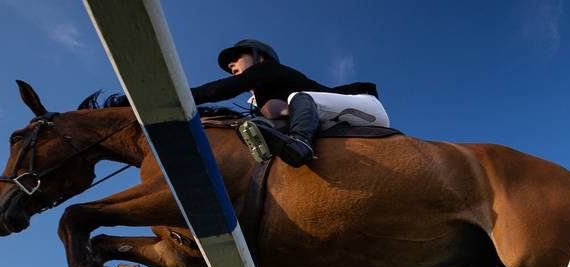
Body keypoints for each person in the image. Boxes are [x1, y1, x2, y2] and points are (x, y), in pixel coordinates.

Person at [112, 39, 388, 167]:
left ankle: (301, 144)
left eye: (237, 58)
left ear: (260, 58)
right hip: (333, 123)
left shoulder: (269, 71)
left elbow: (217, 90)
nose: (231, 65)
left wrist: (161, 100)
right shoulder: (258, 99)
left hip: (364, 109)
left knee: (297, 99)